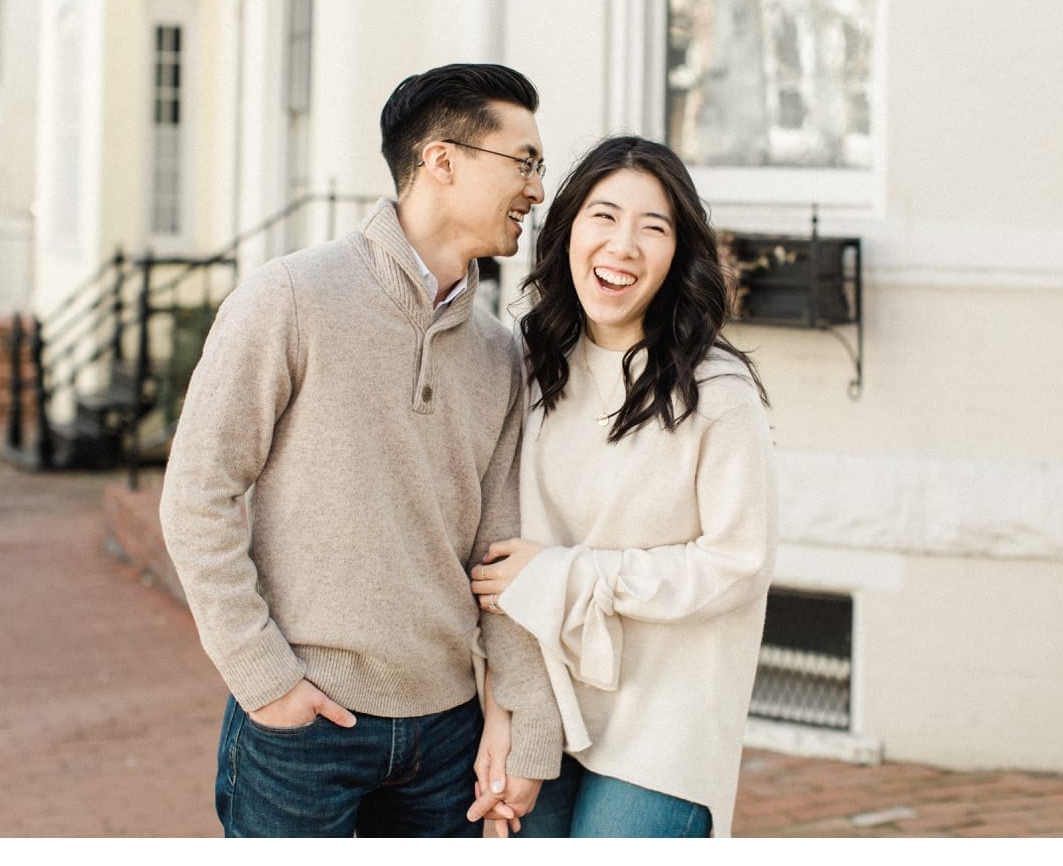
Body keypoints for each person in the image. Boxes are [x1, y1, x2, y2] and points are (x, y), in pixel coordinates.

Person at [159, 63, 563, 837]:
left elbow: (501, 557)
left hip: (446, 738)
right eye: (525, 162)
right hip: (305, 730)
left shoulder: (500, 355)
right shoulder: (290, 298)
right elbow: (197, 495)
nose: (537, 190)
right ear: (442, 160)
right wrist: (265, 678)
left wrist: (524, 721)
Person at [467, 135, 778, 838]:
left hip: (665, 725)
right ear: (569, 229)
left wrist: (573, 576)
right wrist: (504, 708)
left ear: (678, 256)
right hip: (545, 708)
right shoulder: (529, 369)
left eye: (653, 227)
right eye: (603, 217)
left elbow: (739, 565)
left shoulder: (717, 393)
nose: (624, 245)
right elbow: (496, 554)